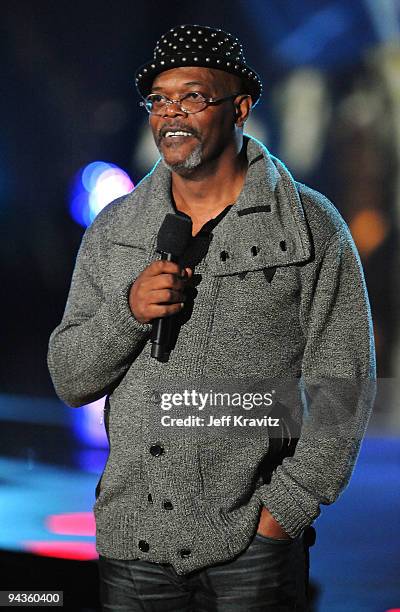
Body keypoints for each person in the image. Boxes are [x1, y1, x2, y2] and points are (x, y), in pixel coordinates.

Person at [47, 24, 376, 611]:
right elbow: (71, 378)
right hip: (134, 551)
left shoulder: (309, 227)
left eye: (193, 96)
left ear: (241, 106)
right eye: (160, 99)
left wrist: (285, 511)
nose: (172, 114)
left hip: (253, 551)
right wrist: (128, 312)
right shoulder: (116, 230)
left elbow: (343, 386)